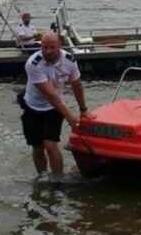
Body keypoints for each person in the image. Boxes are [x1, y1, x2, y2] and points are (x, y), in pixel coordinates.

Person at [18, 32, 88, 178]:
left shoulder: (69, 60)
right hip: (33, 105)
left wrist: (83, 110)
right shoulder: (33, 63)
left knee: (50, 145)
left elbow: (76, 85)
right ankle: (42, 176)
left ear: (59, 46)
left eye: (52, 47)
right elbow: (49, 94)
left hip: (54, 107)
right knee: (37, 146)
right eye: (45, 47)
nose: (48, 51)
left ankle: (57, 179)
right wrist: (69, 115)